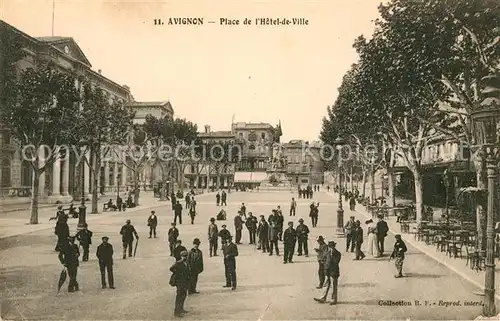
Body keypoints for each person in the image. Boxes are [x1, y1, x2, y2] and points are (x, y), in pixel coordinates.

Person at [314, 241, 341, 305]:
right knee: (326, 285)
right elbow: (323, 259)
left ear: (334, 247)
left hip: (334, 272)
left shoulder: (337, 253)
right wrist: (325, 265)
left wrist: (329, 259)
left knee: (334, 286)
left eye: (331, 247)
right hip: (328, 271)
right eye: (329, 247)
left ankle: (333, 299)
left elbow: (336, 262)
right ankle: (322, 298)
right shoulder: (327, 252)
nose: (330, 248)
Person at [170, 250, 190, 317]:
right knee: (179, 296)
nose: (185, 257)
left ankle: (181, 308)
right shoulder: (178, 263)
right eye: (183, 256)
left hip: (185, 282)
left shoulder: (187, 262)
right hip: (180, 282)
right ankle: (177, 312)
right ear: (181, 256)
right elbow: (171, 268)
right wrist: (177, 273)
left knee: (184, 295)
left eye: (186, 256)